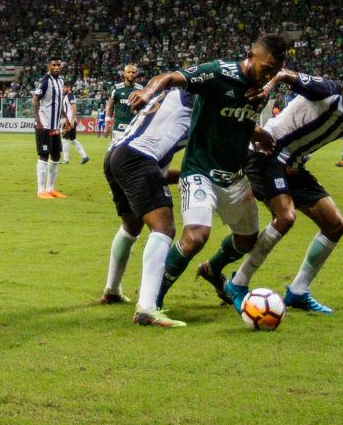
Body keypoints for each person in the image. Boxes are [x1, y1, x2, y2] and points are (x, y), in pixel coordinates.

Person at [128, 35, 288, 315]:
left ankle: (212, 269)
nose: (269, 77)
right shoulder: (218, 72)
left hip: (234, 176)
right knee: (196, 236)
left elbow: (233, 116)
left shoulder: (260, 88)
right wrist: (147, 93)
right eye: (267, 70)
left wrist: (257, 131)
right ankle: (153, 299)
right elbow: (171, 77)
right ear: (250, 55)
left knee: (247, 240)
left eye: (274, 72)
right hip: (200, 171)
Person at [224, 64, 343, 315]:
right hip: (268, 153)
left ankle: (298, 291)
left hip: (293, 165)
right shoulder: (325, 89)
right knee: (286, 217)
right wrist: (266, 88)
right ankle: (238, 283)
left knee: (335, 225)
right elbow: (283, 73)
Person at [98, 79, 194, 326]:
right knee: (164, 228)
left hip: (117, 155)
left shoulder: (166, 102)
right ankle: (147, 308)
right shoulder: (192, 101)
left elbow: (159, 171)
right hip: (138, 158)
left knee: (132, 225)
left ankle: (112, 289)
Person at [33, 59, 72, 198]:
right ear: (49, 66)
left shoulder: (60, 81)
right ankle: (40, 190)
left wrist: (66, 118)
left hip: (55, 126)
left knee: (56, 155)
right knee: (43, 155)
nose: (56, 67)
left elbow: (58, 103)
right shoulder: (45, 81)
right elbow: (35, 100)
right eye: (53, 65)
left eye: (58, 65)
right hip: (45, 125)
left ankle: (50, 189)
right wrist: (38, 121)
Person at [103, 64, 139, 141]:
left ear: (136, 74)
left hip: (134, 129)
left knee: (132, 153)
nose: (131, 74)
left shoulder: (140, 90)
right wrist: (107, 124)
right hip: (118, 128)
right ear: (124, 74)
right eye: (128, 72)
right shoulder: (116, 88)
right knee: (113, 152)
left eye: (133, 72)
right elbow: (110, 107)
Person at [60, 79, 90, 165]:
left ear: (69, 87)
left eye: (64, 88)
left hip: (69, 121)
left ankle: (66, 160)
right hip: (69, 120)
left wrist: (72, 120)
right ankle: (85, 157)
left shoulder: (70, 96)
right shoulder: (66, 96)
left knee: (64, 139)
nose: (63, 89)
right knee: (73, 140)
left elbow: (74, 108)